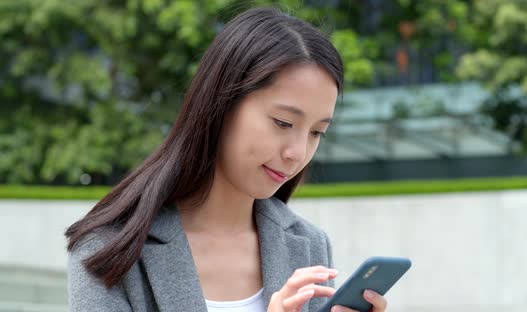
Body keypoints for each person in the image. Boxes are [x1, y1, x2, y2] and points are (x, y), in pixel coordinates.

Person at [65, 6, 388, 312]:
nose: (297, 153)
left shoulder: (307, 244)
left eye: (317, 132)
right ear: (222, 105)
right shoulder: (108, 251)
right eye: (283, 123)